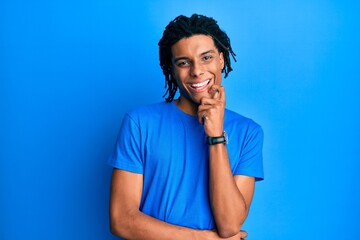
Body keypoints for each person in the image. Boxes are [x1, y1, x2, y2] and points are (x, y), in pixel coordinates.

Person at [108, 14, 264, 240]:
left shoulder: (248, 132)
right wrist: (203, 238)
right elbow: (121, 220)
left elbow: (230, 225)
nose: (197, 71)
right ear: (172, 69)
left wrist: (216, 136)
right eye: (184, 62)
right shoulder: (139, 123)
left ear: (221, 59)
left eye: (206, 58)